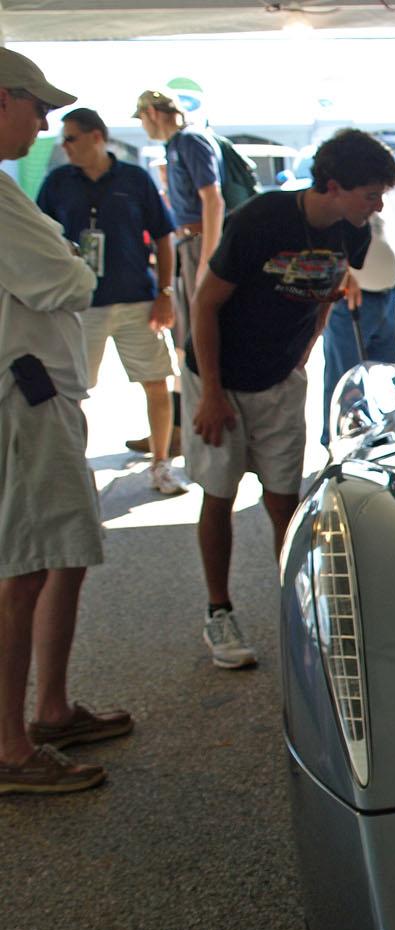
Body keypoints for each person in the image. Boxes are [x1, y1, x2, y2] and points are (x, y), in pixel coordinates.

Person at [183, 128, 395, 669]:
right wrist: (211, 393)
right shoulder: (260, 220)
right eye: (370, 194)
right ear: (333, 186)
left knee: (284, 499)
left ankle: (299, 605)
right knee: (218, 493)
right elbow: (205, 305)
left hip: (279, 378)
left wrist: (304, 351)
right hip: (220, 375)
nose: (377, 206)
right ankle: (218, 610)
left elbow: (329, 290)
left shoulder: (354, 230)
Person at [1, 50, 132, 796]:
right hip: (25, 395)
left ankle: (47, 711)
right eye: (37, 106)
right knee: (23, 566)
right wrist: (74, 262)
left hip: (37, 390)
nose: (46, 122)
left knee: (60, 550)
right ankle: (10, 745)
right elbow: (69, 281)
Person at [35, 106, 184, 494]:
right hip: (80, 306)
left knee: (156, 381)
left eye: (71, 138)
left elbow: (164, 236)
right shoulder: (57, 183)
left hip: (138, 301)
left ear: (96, 137)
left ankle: (161, 465)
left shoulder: (134, 179)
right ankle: (73, 470)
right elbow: (40, 239)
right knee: (73, 391)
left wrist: (165, 293)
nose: (65, 146)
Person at [130, 87, 223, 458]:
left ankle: (186, 430)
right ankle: (177, 429)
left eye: (142, 117)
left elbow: (213, 199)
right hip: (188, 244)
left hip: (199, 245)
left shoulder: (190, 141)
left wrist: (208, 260)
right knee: (185, 340)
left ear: (153, 112)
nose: (143, 126)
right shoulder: (177, 145)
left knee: (197, 337)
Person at [319, 209, 395, 444]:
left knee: (385, 377)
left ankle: (383, 439)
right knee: (347, 380)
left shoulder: (375, 202)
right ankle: (338, 442)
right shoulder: (339, 206)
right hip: (352, 299)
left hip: (386, 295)